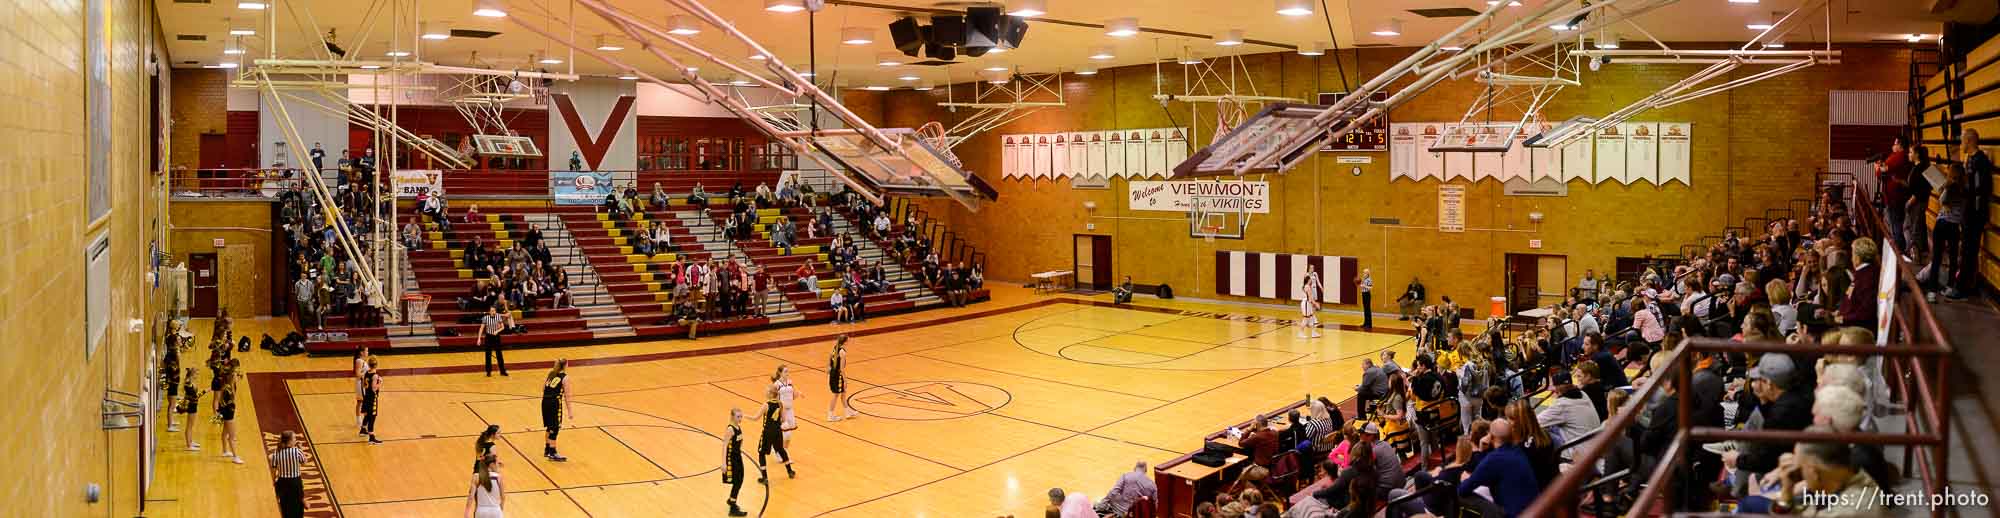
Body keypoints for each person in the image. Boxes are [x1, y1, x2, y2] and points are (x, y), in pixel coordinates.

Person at [1457, 418, 1538, 518]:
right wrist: (1483, 450)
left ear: (1491, 436)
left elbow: (1463, 489)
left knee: (1458, 495)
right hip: (1535, 509)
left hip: (1512, 514)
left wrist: (1465, 480)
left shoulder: (1493, 459)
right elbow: (1488, 471)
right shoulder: (1518, 450)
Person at [756, 384, 797, 483]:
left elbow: (756, 418)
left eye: (766, 391)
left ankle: (764, 477)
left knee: (761, 453)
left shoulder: (766, 405)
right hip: (777, 431)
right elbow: (783, 420)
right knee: (781, 450)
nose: (765, 392)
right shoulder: (780, 404)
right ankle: (790, 471)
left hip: (767, 432)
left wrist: (744, 416)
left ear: (770, 394)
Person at [1092, 460, 1158, 516]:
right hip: (1139, 514)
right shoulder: (1152, 484)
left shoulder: (1126, 476)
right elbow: (1156, 504)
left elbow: (1113, 492)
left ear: (1135, 468)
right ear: (1146, 470)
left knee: (1098, 502)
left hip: (1122, 511)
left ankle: (1100, 507)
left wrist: (1102, 504)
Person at [271, 430, 307, 518]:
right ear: (290, 441)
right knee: (298, 506)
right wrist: (301, 449)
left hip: (282, 482)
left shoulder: (276, 453)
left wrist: (274, 481)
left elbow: (273, 470)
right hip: (295, 482)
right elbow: (304, 462)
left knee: (285, 505)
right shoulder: (296, 451)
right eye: (294, 438)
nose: (296, 439)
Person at [541, 360, 573, 462]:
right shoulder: (565, 377)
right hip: (554, 403)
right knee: (555, 427)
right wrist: (570, 411)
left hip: (545, 401)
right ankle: (553, 452)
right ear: (565, 365)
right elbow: (567, 396)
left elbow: (543, 388)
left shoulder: (551, 373)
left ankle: (547, 449)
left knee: (549, 426)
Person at [723, 408, 749, 517]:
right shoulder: (730, 429)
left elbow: (739, 441)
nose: (740, 419)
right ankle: (732, 507)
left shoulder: (738, 427)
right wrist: (723, 463)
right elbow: (724, 446)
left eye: (741, 416)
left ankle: (731, 500)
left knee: (741, 478)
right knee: (737, 481)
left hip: (738, 456)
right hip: (731, 458)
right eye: (738, 416)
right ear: (732, 417)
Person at [827, 336, 856, 421]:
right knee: (836, 395)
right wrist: (845, 380)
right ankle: (830, 415)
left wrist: (829, 366)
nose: (849, 342)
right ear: (845, 342)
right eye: (848, 340)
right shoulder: (842, 352)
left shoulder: (835, 347)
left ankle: (847, 412)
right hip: (838, 375)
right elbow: (842, 368)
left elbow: (829, 356)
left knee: (843, 393)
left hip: (833, 373)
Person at [774, 366, 802, 450]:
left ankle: (783, 452)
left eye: (788, 371)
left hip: (790, 410)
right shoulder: (776, 384)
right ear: (780, 373)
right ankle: (780, 451)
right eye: (785, 372)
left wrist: (798, 394)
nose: (787, 373)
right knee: (786, 434)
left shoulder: (790, 382)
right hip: (782, 411)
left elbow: (793, 396)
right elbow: (774, 399)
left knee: (788, 435)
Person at [481, 306, 513, 377]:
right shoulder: (485, 318)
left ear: (495, 311)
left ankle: (502, 371)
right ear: (489, 312)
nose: (493, 312)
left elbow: (503, 327)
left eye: (494, 311)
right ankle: (488, 371)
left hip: (496, 337)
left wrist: (497, 331)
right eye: (491, 311)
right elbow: (481, 328)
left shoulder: (498, 316)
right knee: (488, 355)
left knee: (499, 354)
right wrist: (479, 338)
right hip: (488, 337)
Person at [176, 367, 203, 451]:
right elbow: (194, 396)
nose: (197, 376)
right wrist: (205, 391)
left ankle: (190, 441)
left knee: (191, 425)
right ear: (192, 374)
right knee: (189, 426)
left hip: (193, 405)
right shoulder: (188, 383)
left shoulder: (190, 382)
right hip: (191, 405)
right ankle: (189, 445)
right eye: (196, 374)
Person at [1298, 265, 1324, 338]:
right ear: (1308, 280)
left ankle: (1313, 333)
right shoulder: (1307, 287)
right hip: (1306, 303)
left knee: (1312, 317)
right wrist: (1316, 304)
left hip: (1308, 303)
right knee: (1306, 318)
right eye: (1310, 280)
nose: (1312, 280)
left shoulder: (1308, 286)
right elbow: (1310, 298)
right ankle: (1300, 332)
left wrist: (1314, 303)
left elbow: (1311, 298)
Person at [359, 369, 383, 444]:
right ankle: (371, 438)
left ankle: (363, 430)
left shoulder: (366, 373)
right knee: (372, 417)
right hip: (372, 399)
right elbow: (374, 388)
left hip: (366, 397)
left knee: (367, 415)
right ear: (376, 365)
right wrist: (380, 383)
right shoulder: (375, 376)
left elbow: (363, 385)